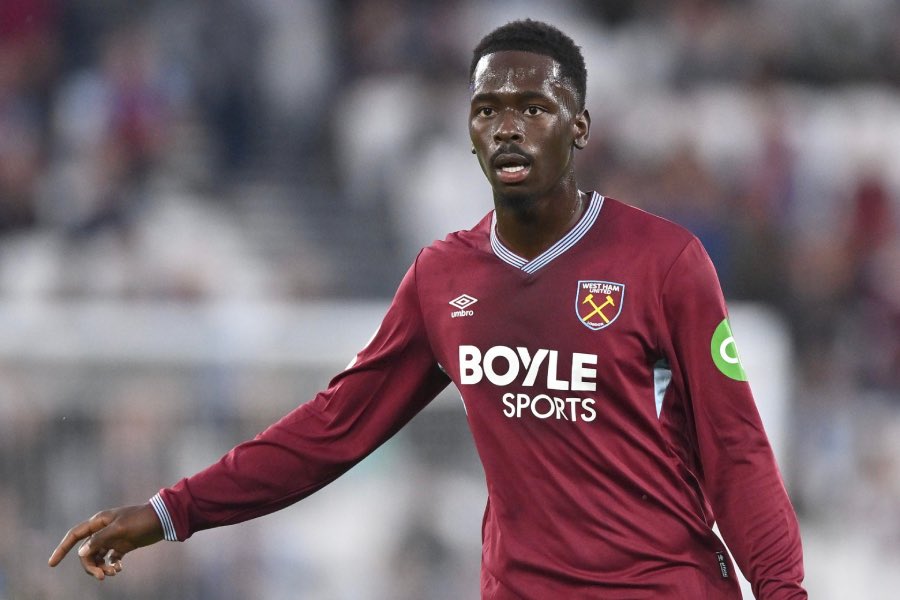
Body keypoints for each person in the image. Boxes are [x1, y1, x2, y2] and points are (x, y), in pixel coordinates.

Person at [49, 19, 807, 599]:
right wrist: (171, 512)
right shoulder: (443, 278)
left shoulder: (664, 262)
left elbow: (736, 451)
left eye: (534, 107)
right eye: (488, 109)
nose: (507, 126)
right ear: (470, 133)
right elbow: (332, 429)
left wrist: (784, 593)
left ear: (578, 127)